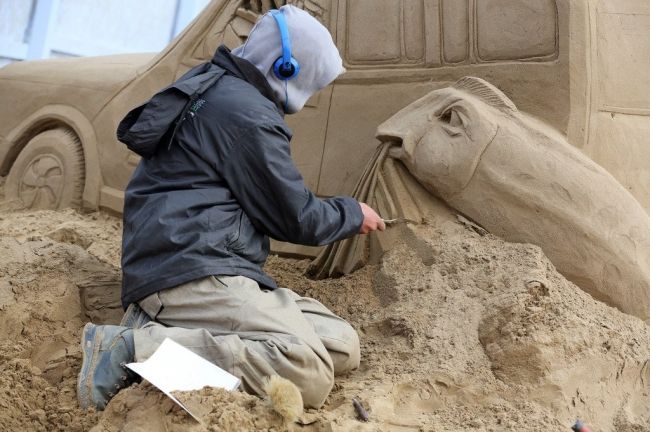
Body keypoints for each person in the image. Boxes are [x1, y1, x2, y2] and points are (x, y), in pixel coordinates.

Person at [77, 5, 385, 411]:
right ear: (286, 67)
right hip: (191, 270)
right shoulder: (249, 116)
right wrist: (352, 213)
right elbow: (295, 217)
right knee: (309, 372)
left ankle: (167, 329)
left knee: (342, 345)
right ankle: (131, 348)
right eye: (312, 80)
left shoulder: (216, 84)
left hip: (184, 257)